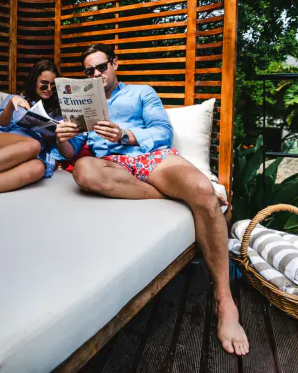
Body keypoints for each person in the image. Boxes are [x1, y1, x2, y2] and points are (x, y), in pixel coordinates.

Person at [55, 43, 249, 356]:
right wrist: (62, 139)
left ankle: (224, 301)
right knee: (83, 170)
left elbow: (163, 131)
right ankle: (175, 195)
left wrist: (125, 135)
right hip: (112, 166)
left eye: (101, 67)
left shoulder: (141, 93)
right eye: (89, 71)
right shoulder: (84, 105)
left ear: (114, 64)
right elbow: (73, 150)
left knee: (201, 191)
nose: (96, 74)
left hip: (149, 157)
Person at [0, 59, 62, 200]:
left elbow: (58, 145)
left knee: (38, 168)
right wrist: (10, 105)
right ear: (34, 81)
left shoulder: (56, 112)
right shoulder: (16, 99)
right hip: (0, 142)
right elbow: (0, 125)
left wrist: (51, 136)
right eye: (44, 84)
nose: (49, 89)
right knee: (33, 145)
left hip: (30, 154)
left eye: (53, 85)